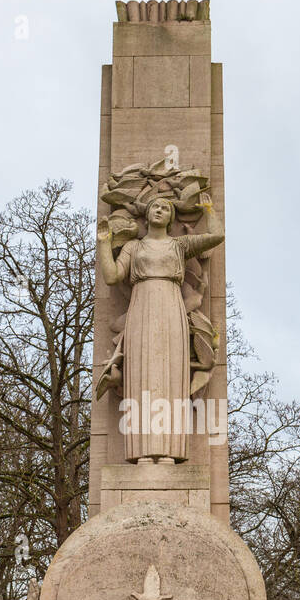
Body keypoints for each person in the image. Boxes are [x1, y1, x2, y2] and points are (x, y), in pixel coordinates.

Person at [97, 195, 224, 463]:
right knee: (141, 376)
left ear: (171, 218)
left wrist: (209, 210)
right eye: (155, 206)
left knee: (170, 378)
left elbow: (216, 236)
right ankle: (142, 453)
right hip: (141, 310)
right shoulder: (133, 247)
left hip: (171, 308)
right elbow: (111, 277)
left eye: (166, 208)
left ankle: (170, 452)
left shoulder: (180, 245)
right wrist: (104, 243)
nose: (160, 210)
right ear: (147, 214)